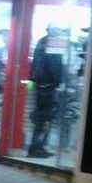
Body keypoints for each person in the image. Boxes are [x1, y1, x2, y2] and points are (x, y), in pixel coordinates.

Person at [28, 25, 66, 158]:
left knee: (41, 118)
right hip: (49, 86)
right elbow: (54, 65)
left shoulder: (41, 41)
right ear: (53, 30)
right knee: (45, 118)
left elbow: (35, 65)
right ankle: (37, 148)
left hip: (40, 85)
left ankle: (35, 147)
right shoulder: (53, 41)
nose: (60, 32)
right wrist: (59, 82)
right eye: (59, 29)